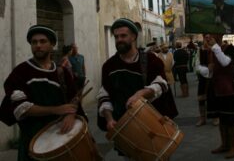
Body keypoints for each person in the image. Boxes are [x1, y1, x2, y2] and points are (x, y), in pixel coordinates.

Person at [0, 25, 82, 161]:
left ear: (52, 45)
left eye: (43, 41)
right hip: (32, 141)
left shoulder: (62, 72)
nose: (38, 45)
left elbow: (74, 99)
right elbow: (21, 108)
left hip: (60, 138)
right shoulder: (20, 72)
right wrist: (57, 110)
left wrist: (71, 114)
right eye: (34, 42)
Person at [97, 18, 169, 158]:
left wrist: (141, 93)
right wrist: (109, 118)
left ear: (133, 37)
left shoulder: (151, 60)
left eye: (123, 36)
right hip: (126, 128)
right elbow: (104, 95)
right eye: (116, 37)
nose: (119, 39)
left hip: (152, 124)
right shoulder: (109, 66)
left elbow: (161, 84)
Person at [197, 34, 234, 159]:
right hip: (214, 88)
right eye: (206, 36)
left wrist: (215, 46)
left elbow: (225, 62)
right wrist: (206, 70)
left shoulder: (230, 49)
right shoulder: (207, 51)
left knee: (229, 119)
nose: (208, 37)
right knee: (221, 118)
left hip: (227, 89)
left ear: (219, 35)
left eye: (211, 35)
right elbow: (199, 68)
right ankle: (225, 144)